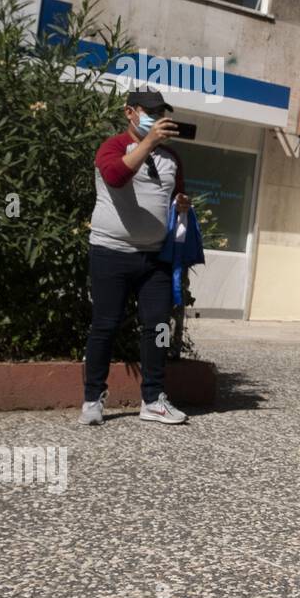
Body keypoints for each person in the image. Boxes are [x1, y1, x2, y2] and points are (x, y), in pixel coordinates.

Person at [80, 87, 192, 426]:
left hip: (153, 258)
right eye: (149, 112)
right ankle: (92, 399)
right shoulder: (113, 147)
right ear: (130, 112)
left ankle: (154, 399)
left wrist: (182, 204)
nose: (156, 119)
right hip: (110, 253)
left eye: (161, 114)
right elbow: (115, 177)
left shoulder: (171, 158)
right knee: (105, 325)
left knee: (157, 325)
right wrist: (148, 143)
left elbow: (176, 193)